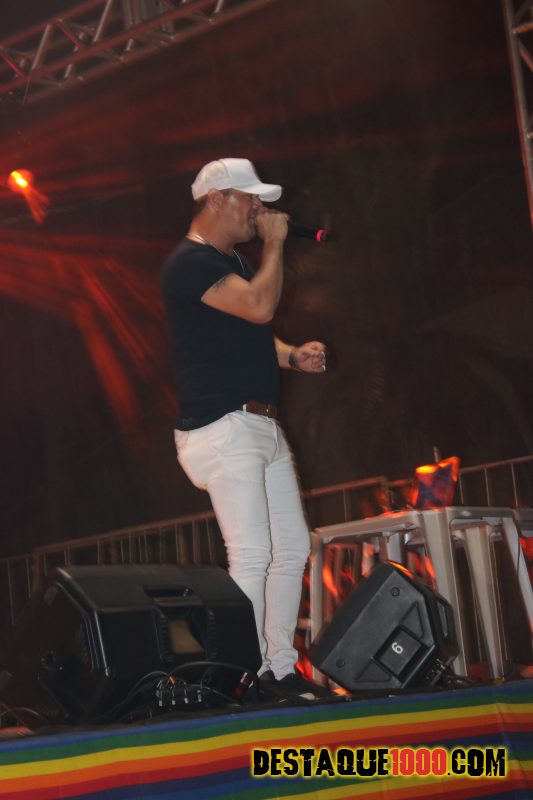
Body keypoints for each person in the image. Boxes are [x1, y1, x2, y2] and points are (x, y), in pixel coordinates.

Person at [161, 157, 328, 698]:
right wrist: (276, 244)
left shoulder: (227, 261)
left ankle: (279, 667)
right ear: (217, 199)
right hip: (223, 426)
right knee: (253, 553)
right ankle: (245, 675)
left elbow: (248, 333)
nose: (259, 208)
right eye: (250, 198)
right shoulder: (188, 263)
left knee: (292, 549)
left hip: (258, 424)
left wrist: (290, 355)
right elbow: (258, 305)